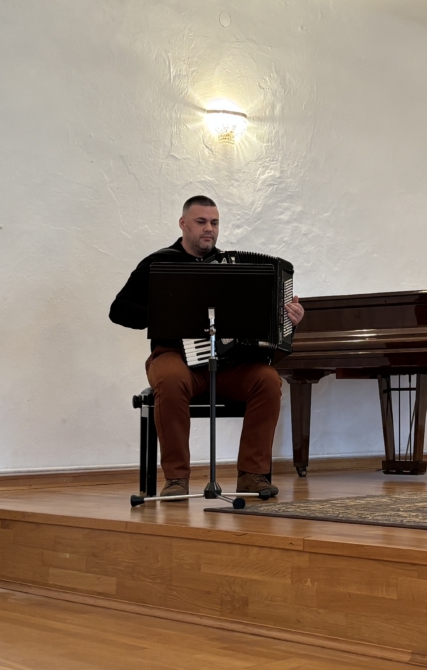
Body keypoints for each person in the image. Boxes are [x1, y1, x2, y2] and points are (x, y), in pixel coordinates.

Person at [109, 195, 304, 499]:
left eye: (214, 223)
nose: (209, 229)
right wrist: (169, 315)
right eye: (201, 222)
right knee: (170, 380)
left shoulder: (234, 267)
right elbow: (119, 310)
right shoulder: (159, 263)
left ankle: (252, 475)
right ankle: (176, 479)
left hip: (227, 363)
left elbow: (260, 320)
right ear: (183, 223)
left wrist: (289, 319)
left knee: (267, 380)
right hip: (175, 357)